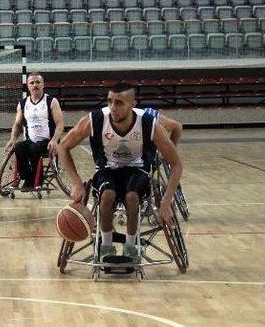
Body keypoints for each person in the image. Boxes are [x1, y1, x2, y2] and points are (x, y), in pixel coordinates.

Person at [57, 83, 182, 261]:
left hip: (138, 169)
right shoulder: (96, 119)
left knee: (132, 197)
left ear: (132, 104)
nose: (113, 108)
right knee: (107, 195)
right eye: (110, 102)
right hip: (107, 169)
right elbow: (63, 147)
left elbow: (176, 164)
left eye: (119, 103)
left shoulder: (148, 123)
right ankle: (106, 246)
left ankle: (131, 247)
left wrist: (166, 201)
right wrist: (77, 183)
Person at [4, 72, 64, 191]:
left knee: (34, 149)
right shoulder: (23, 103)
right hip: (30, 140)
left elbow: (60, 124)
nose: (35, 85)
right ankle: (27, 177)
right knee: (19, 147)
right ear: (28, 86)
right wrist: (12, 139)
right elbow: (17, 124)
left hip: (48, 141)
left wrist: (54, 140)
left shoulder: (51, 101)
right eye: (32, 83)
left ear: (43, 85)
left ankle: (36, 180)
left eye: (38, 82)